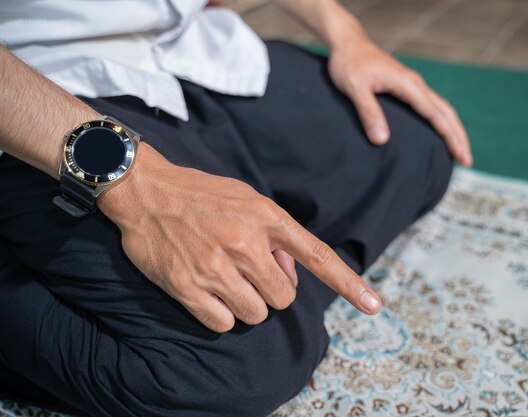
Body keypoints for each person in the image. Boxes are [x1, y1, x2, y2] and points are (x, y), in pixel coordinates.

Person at [0, 0, 472, 416]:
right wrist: (136, 185)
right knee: (238, 368)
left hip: (179, 51)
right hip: (38, 96)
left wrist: (345, 31)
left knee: (415, 152)